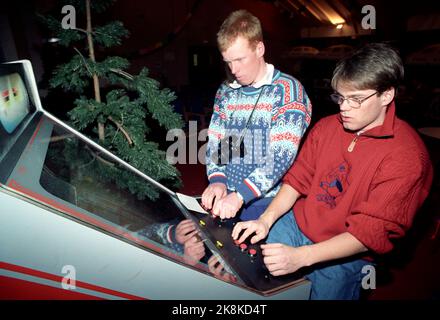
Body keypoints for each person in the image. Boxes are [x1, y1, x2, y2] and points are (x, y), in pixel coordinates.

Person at [232, 43, 433, 299]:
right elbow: (297, 180)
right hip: (299, 224)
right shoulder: (327, 127)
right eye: (340, 97)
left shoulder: (408, 156)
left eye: (356, 99)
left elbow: (368, 233)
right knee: (256, 284)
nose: (344, 107)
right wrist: (266, 219)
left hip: (348, 251)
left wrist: (301, 257)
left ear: (387, 95)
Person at [201, 9, 312, 221]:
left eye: (240, 59)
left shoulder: (287, 91)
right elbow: (218, 143)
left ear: (259, 48)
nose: (233, 69)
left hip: (270, 204)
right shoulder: (226, 92)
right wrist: (217, 179)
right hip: (228, 198)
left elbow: (281, 155)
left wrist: (241, 195)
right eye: (228, 61)